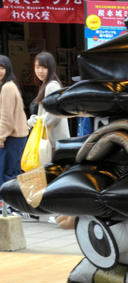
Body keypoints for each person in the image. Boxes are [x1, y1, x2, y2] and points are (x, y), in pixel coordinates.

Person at [28, 52, 71, 225]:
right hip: (51, 139)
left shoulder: (51, 86)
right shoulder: (48, 85)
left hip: (53, 140)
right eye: (37, 67)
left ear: (50, 68)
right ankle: (54, 210)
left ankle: (56, 211)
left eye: (43, 67)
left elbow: (52, 116)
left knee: (53, 175)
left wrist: (32, 120)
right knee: (53, 175)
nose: (40, 71)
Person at [0, 56, 28, 193]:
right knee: (12, 173)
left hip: (11, 138)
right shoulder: (9, 86)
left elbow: (6, 119)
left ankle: (9, 207)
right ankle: (13, 206)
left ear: (8, 69)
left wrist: (1, 137)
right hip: (16, 138)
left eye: (2, 68)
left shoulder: (7, 88)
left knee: (7, 174)